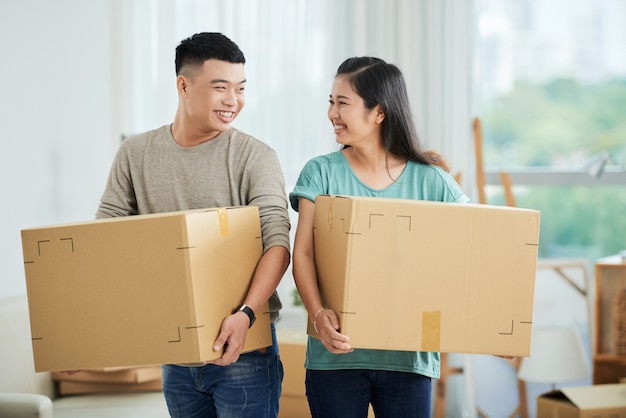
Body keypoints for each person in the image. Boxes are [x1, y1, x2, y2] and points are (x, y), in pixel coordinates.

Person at [96, 32, 291, 418]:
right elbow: (104, 241)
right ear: (183, 85)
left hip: (245, 347)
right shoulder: (135, 155)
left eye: (240, 88)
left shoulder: (255, 157)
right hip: (177, 350)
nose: (233, 101)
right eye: (221, 88)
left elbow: (278, 243)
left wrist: (246, 314)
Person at [289, 57, 470, 418]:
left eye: (342, 103)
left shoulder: (431, 181)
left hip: (407, 361)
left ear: (378, 113)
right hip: (334, 359)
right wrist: (318, 313)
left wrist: (488, 327)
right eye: (330, 101)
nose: (331, 113)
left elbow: (472, 251)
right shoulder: (321, 173)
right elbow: (304, 254)